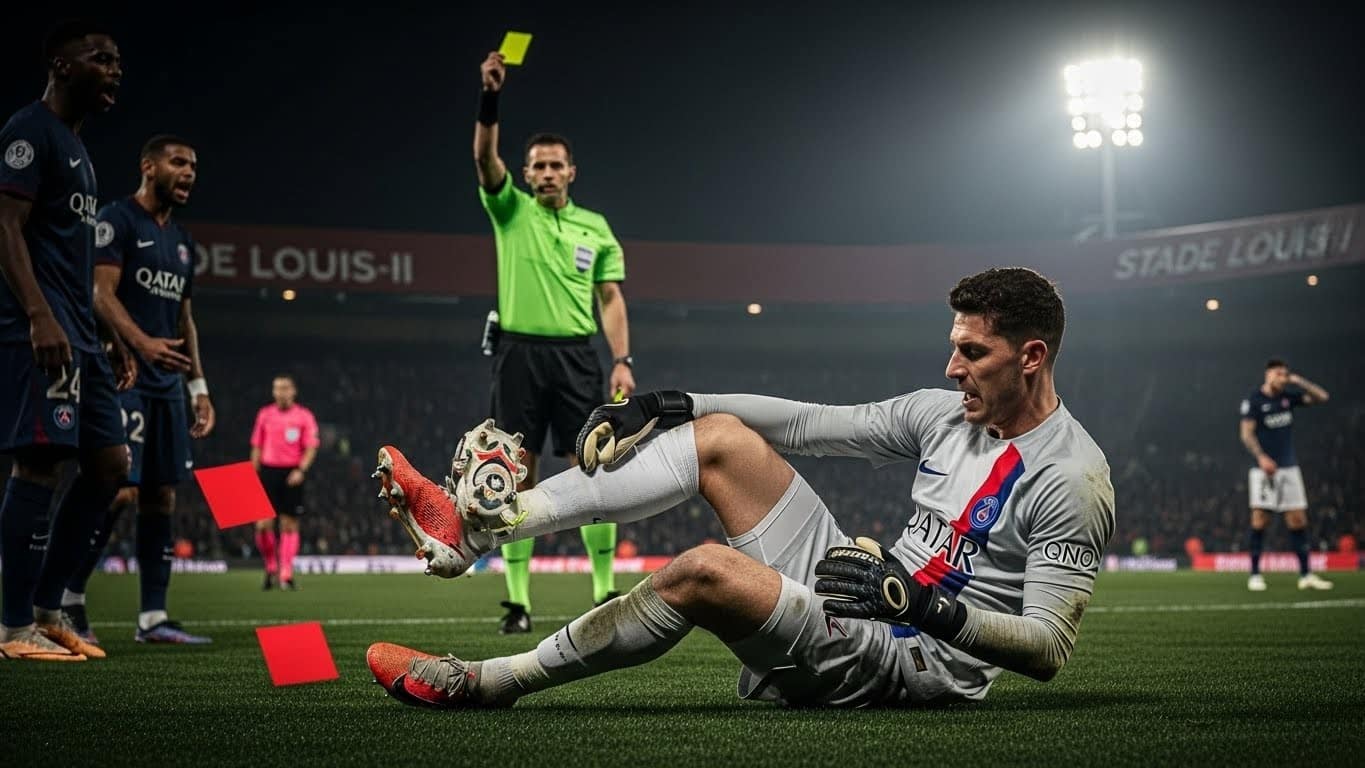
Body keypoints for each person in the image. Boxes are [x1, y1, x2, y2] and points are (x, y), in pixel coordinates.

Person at [367, 267, 1115, 709]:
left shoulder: (1071, 476)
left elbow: (1047, 650)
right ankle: (473, 529)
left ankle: (485, 683)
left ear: (1031, 357)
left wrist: (922, 605)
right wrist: (671, 404)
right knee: (722, 435)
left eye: (972, 352)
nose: (952, 369)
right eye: (952, 348)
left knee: (704, 570)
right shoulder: (943, 414)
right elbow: (810, 423)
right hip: (869, 594)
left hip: (918, 660)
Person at [472, 51, 636, 632]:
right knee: (514, 475)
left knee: (597, 470)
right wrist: (490, 96)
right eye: (536, 165)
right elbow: (484, 157)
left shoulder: (596, 227)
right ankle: (518, 601)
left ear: (571, 172)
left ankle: (603, 592)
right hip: (519, 354)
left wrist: (621, 361)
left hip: (578, 356)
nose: (544, 172)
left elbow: (610, 299)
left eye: (554, 165)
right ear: (526, 174)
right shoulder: (509, 210)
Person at [0, 20, 133, 662]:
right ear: (60, 63)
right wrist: (38, 315)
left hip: (82, 336)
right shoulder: (29, 131)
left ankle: (51, 607)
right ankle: (12, 624)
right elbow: (5, 226)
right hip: (44, 330)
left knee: (111, 464)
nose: (113, 70)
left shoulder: (77, 150)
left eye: (117, 62)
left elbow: (71, 261)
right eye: (100, 59)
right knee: (41, 463)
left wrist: (107, 334)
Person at [60, 135, 215, 645]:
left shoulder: (185, 243)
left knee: (161, 495)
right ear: (148, 166)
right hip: (121, 373)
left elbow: (185, 320)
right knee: (119, 487)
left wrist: (198, 384)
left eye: (193, 165)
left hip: (168, 384)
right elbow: (99, 294)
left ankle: (152, 618)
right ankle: (69, 598)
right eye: (178, 162)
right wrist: (141, 343)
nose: (189, 172)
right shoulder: (116, 221)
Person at [1239, 359, 1332, 592]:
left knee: (1298, 519)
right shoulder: (1254, 401)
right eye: (1278, 373)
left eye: (1285, 374)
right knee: (1260, 518)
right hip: (1263, 468)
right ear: (1267, 374)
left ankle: (1305, 575)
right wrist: (1261, 457)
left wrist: (1299, 381)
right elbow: (1246, 434)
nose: (1283, 377)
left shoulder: (1287, 398)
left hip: (1289, 467)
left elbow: (1323, 397)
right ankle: (1255, 574)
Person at [250, 374, 318, 591]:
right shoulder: (265, 414)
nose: (281, 392)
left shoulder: (304, 416)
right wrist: (254, 470)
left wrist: (301, 469)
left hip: (292, 472)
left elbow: (310, 447)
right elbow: (256, 446)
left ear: (293, 391)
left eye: (285, 388)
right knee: (262, 524)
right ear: (273, 392)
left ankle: (286, 573)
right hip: (268, 471)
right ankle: (271, 566)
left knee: (289, 523)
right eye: (277, 388)